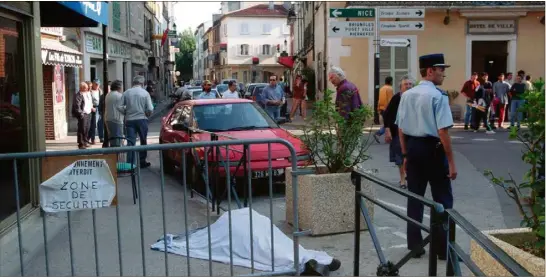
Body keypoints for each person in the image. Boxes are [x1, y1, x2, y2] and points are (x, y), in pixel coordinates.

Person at [396, 53, 456, 260]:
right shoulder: (438, 96)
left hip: (413, 148)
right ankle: (441, 248)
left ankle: (415, 245)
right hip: (433, 149)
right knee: (442, 200)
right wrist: (451, 162)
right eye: (441, 69)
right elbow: (443, 132)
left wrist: (405, 153)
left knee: (415, 198)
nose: (443, 73)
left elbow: (401, 129)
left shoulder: (407, 95)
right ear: (430, 71)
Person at [383, 75, 414, 189]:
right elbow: (387, 114)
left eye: (410, 84)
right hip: (397, 132)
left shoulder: (415, 98)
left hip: (412, 132)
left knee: (411, 156)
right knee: (400, 157)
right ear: (401, 87)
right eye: (406, 84)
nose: (408, 86)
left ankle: (410, 176)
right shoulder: (396, 98)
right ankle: (402, 180)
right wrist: (387, 130)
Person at [121, 76, 154, 168]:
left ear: (133, 83)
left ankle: (130, 163)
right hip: (142, 119)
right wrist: (148, 114)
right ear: (142, 84)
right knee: (143, 140)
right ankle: (142, 161)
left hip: (130, 120)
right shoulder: (145, 93)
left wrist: (125, 112)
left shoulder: (126, 92)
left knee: (131, 142)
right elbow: (150, 108)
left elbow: (119, 106)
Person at [72, 82, 93, 149]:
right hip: (83, 114)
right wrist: (81, 113)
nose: (88, 89)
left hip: (88, 113)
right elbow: (77, 106)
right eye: (86, 88)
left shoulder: (86, 93)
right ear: (82, 88)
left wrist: (91, 108)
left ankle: (85, 141)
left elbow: (88, 102)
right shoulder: (78, 95)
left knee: (87, 128)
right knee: (82, 129)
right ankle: (81, 143)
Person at [105, 80, 125, 147]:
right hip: (116, 120)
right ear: (119, 87)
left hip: (109, 119)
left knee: (112, 140)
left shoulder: (108, 94)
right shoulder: (119, 96)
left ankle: (113, 155)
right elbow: (122, 108)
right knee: (118, 141)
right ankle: (117, 156)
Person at [374, 76, 394, 143]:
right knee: (389, 124)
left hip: (382, 109)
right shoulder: (390, 89)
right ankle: (378, 134)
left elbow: (379, 100)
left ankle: (387, 137)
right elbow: (390, 100)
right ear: (391, 81)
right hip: (387, 109)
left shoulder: (382, 89)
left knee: (387, 124)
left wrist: (378, 109)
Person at [88, 79, 102, 144]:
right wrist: (91, 107)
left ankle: (101, 137)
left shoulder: (100, 91)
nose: (97, 85)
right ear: (93, 84)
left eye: (98, 84)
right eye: (96, 84)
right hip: (93, 108)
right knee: (93, 124)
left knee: (100, 123)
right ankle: (92, 139)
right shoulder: (90, 91)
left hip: (99, 108)